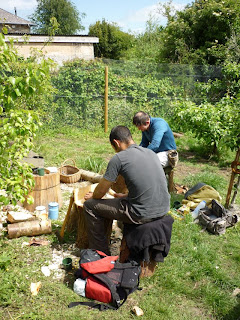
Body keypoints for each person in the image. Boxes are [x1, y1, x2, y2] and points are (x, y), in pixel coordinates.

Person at [83, 125, 170, 255]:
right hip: (164, 208)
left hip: (141, 213)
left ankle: (100, 253)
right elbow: (145, 184)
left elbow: (100, 192)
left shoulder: (119, 158)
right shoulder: (151, 153)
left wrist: (92, 196)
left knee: (89, 206)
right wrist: (124, 196)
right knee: (120, 203)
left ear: (116, 143)